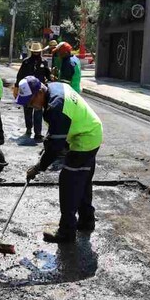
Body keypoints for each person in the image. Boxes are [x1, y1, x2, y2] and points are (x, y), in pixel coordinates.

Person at [18, 76, 103, 243]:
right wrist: (48, 144)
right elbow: (56, 133)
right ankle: (86, 221)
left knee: (68, 182)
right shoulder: (55, 87)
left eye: (30, 101)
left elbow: (56, 147)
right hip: (92, 130)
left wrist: (38, 167)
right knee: (83, 180)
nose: (30, 105)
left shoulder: (55, 107)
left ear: (40, 92)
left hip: (84, 139)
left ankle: (66, 232)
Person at [14, 42, 51, 140]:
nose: (36, 53)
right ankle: (28, 128)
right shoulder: (26, 62)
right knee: (27, 110)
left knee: (38, 111)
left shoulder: (44, 62)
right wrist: (16, 87)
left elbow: (48, 75)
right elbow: (20, 75)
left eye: (37, 52)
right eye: (34, 52)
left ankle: (38, 133)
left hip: (39, 91)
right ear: (31, 52)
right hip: (27, 90)